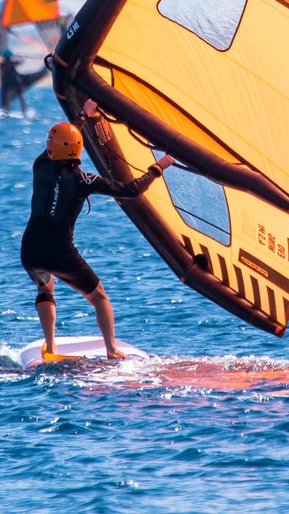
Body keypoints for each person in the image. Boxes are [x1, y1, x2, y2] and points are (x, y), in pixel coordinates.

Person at [20, 100, 175, 359]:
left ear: (51, 149)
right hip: (59, 251)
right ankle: (111, 350)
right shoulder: (83, 180)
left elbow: (62, 142)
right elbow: (130, 190)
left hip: (30, 249)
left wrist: (83, 115)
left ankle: (51, 347)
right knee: (99, 297)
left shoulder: (41, 164)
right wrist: (159, 167)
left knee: (45, 289)